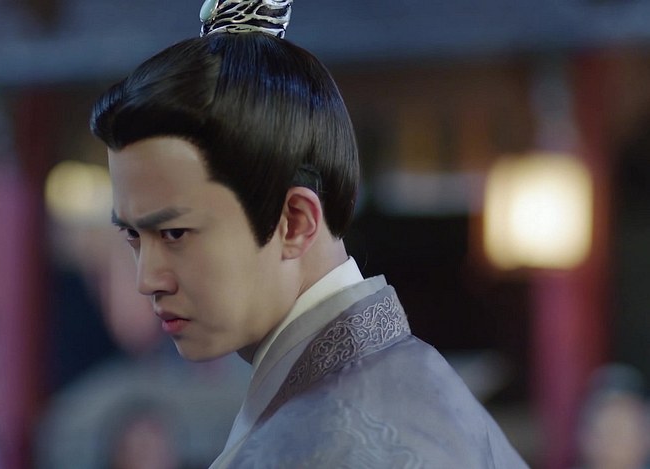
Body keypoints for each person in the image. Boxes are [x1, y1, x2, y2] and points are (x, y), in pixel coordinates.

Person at [90, 0, 528, 467]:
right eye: (133, 235)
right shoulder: (405, 388)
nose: (147, 280)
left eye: (175, 233)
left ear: (295, 221)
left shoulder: (334, 442)